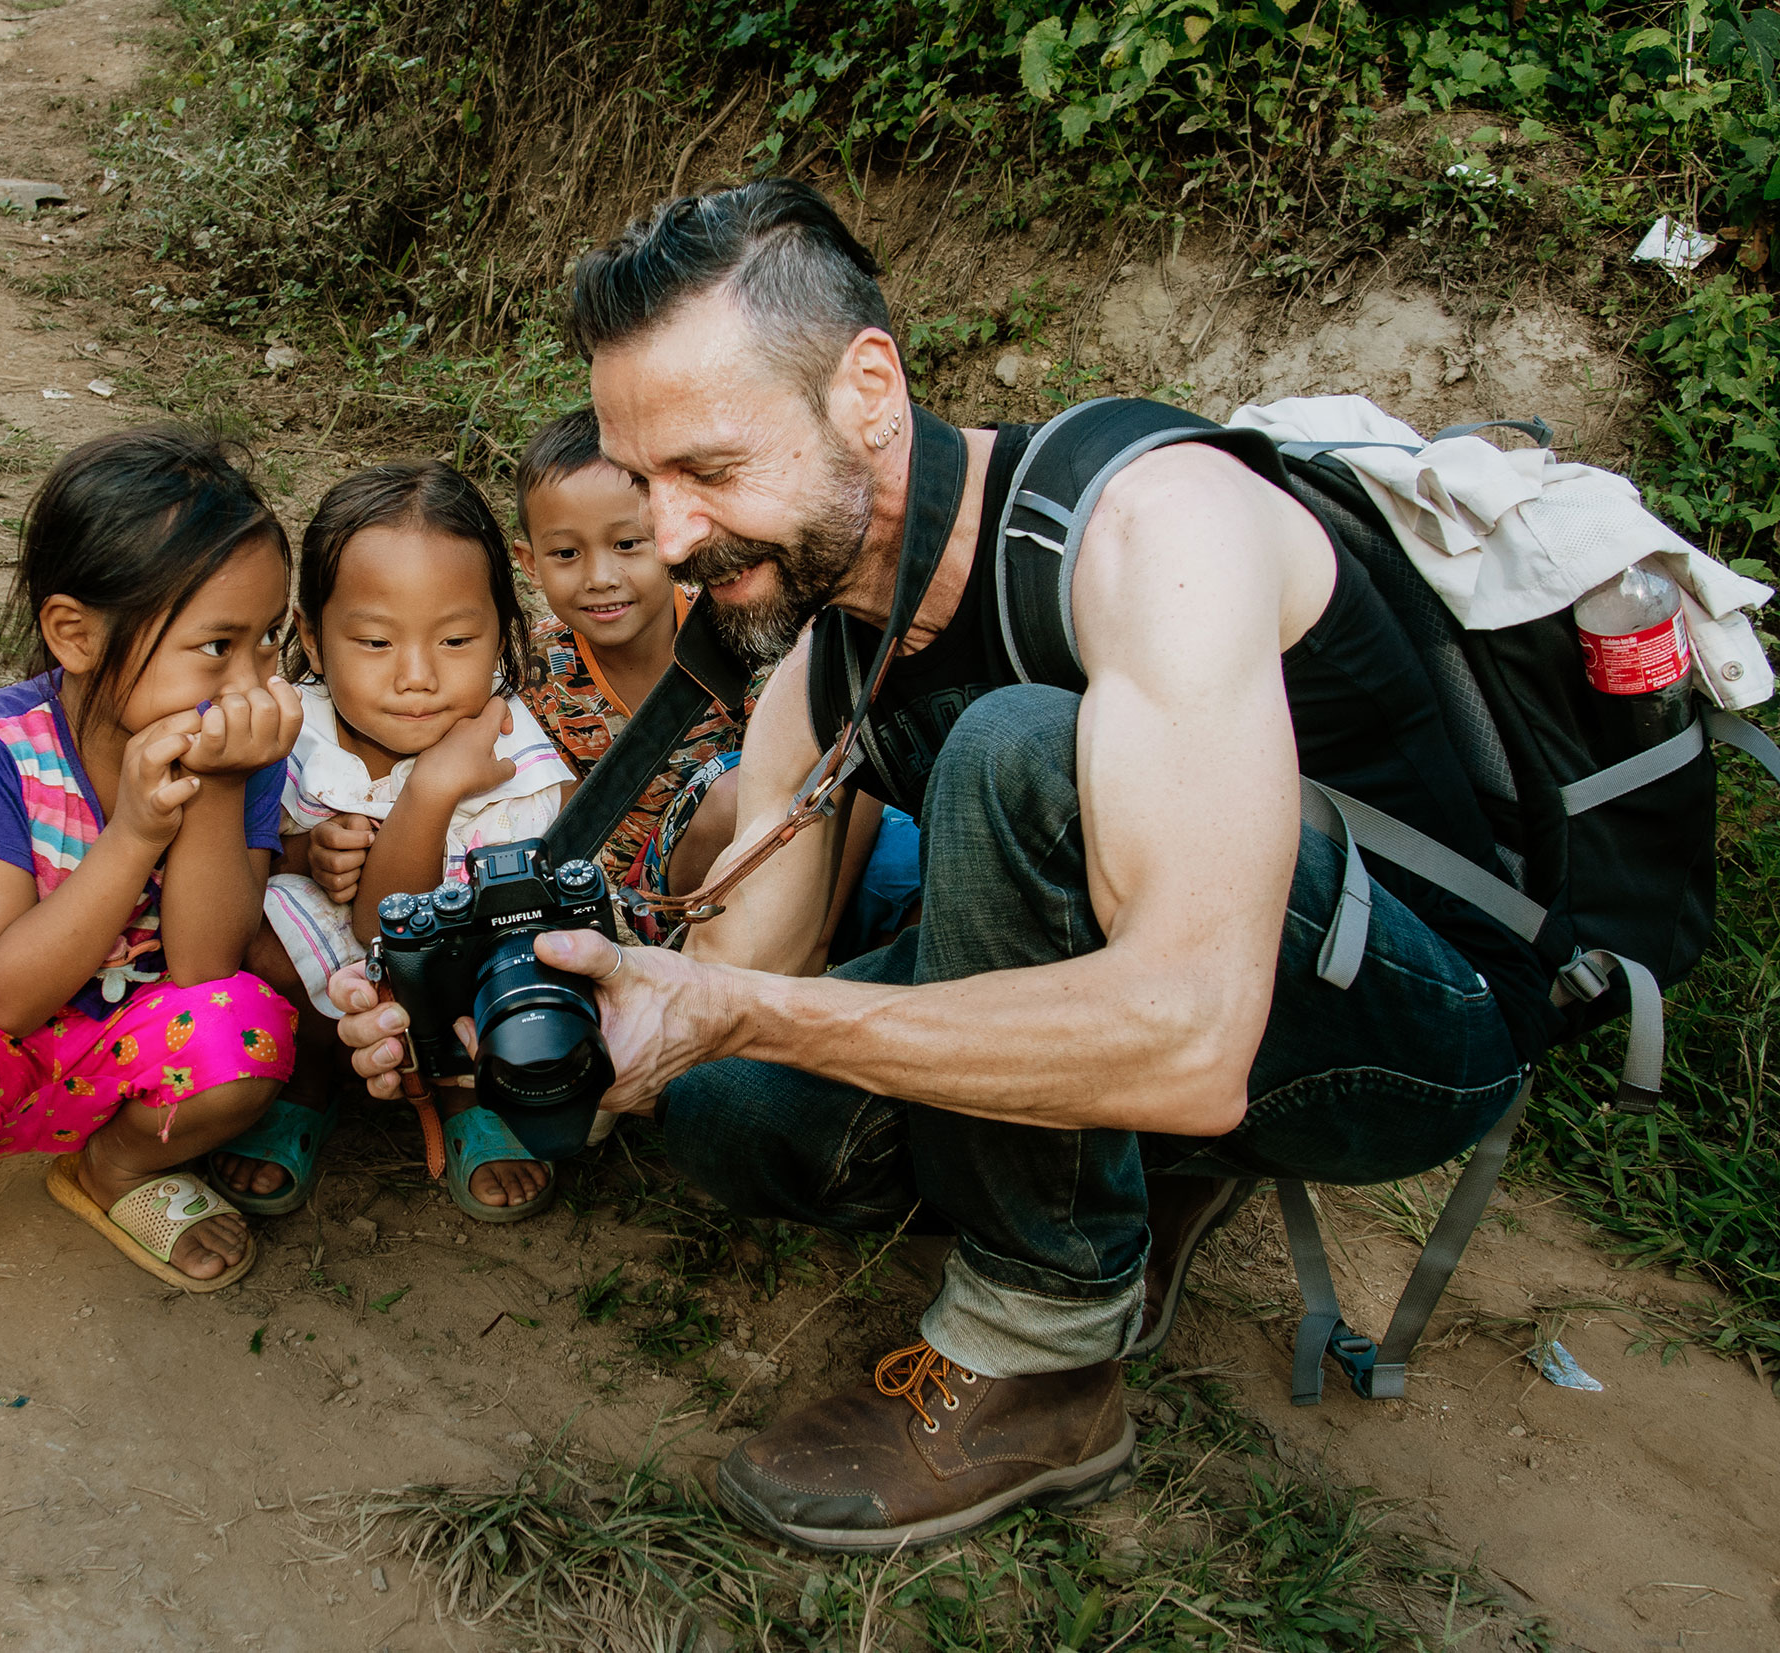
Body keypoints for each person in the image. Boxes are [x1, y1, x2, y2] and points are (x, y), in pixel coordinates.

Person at [331, 180, 1545, 1551]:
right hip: (1178, 999)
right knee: (731, 1116)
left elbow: (1197, 1037)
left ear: (867, 389)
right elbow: (733, 976)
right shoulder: (822, 651)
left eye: (711, 472)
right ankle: (1141, 1178)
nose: (671, 538)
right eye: (644, 481)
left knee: (1018, 748)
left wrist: (741, 1012)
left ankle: (1043, 1349)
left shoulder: (1157, 534)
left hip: (1409, 1025)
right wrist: (530, 1017)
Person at [0, 428, 301, 1339]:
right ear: (75, 633)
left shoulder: (245, 753)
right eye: (217, 645)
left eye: (268, 639)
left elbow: (203, 972)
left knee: (251, 1029)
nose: (251, 680)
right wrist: (134, 833)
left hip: (121, 1046)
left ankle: (113, 1168)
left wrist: (221, 788)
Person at [245, 460, 575, 1222]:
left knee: (506, 946)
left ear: (503, 631)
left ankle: (465, 1095)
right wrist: (308, 852)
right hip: (332, 974)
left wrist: (429, 792)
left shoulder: (506, 757)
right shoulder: (295, 727)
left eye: (457, 638)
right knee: (256, 920)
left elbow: (385, 923)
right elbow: (252, 852)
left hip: (446, 974)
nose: (418, 677)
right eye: (374, 641)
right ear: (314, 640)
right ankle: (310, 1077)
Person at [513, 407, 747, 943]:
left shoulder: (734, 634)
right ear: (530, 562)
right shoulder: (528, 671)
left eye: (626, 544)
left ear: (670, 532)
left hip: (762, 867)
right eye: (567, 553)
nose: (600, 578)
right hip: (625, 907)